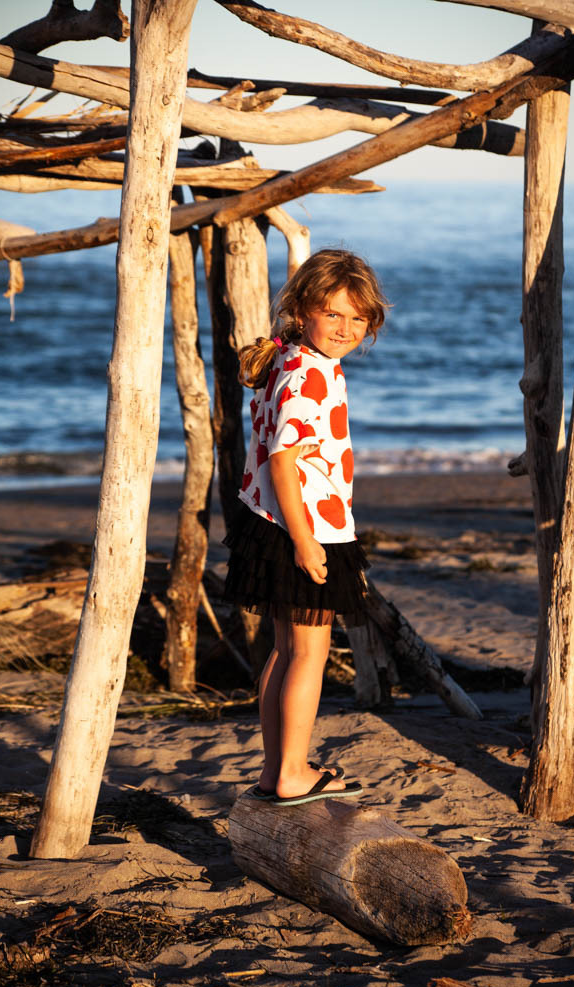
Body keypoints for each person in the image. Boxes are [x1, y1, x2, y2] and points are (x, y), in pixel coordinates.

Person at [224, 249, 388, 806]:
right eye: (333, 314)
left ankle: (278, 770)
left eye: (357, 318)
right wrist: (303, 539)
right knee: (309, 655)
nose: (345, 329)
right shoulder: (308, 373)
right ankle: (293, 772)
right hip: (305, 525)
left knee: (285, 650)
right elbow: (282, 460)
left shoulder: (287, 359)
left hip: (273, 522)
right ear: (301, 311)